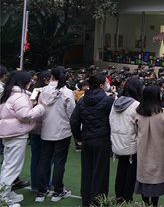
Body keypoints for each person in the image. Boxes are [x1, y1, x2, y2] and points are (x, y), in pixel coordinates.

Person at [0, 71, 46, 207]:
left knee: (8, 164)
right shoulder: (19, 95)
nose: (31, 82)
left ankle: (6, 193)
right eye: (29, 80)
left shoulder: (7, 93)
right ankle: (3, 198)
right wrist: (40, 108)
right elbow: (25, 115)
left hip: (9, 133)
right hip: (17, 134)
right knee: (12, 167)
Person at [70, 72, 114, 207]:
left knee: (87, 171)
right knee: (100, 173)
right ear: (101, 85)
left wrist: (78, 137)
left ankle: (86, 201)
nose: (107, 84)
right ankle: (97, 202)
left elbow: (74, 120)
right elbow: (113, 121)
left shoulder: (82, 99)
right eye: (106, 82)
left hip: (87, 139)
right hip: (101, 139)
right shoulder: (107, 100)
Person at [35, 66, 76, 203]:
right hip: (62, 131)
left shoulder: (43, 91)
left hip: (46, 130)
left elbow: (39, 109)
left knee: (44, 160)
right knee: (59, 162)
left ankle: (41, 191)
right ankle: (58, 191)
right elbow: (71, 112)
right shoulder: (67, 92)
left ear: (51, 76)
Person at [134, 85, 164, 207]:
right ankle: (154, 204)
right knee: (157, 178)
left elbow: (136, 130)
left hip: (143, 150)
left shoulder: (138, 112)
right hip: (160, 150)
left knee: (144, 177)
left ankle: (145, 203)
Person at [109, 78, 143, 203]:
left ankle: (119, 197)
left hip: (118, 142)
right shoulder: (136, 105)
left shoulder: (116, 103)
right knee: (130, 172)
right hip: (131, 143)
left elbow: (111, 120)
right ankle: (127, 198)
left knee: (121, 169)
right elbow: (139, 125)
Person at [29, 70, 50, 194]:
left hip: (34, 126)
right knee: (46, 157)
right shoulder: (46, 91)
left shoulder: (34, 90)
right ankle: (45, 183)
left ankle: (35, 184)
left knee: (36, 156)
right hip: (44, 126)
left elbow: (30, 104)